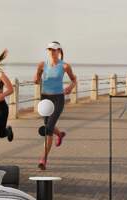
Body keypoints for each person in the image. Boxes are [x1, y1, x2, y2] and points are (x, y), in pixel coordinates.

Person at [34, 41, 76, 170]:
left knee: (48, 128)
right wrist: (36, 79)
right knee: (49, 126)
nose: (52, 52)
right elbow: (37, 78)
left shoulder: (65, 66)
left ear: (59, 51)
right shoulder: (42, 65)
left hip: (58, 98)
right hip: (45, 98)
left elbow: (74, 80)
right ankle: (60, 134)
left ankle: (43, 159)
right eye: (50, 50)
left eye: (54, 50)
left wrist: (70, 87)